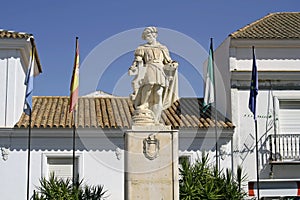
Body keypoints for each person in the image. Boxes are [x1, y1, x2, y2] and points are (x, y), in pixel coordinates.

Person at [129, 27, 178, 124]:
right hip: (149, 67)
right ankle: (143, 104)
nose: (148, 37)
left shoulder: (162, 48)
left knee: (159, 93)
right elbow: (137, 60)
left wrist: (174, 64)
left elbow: (168, 60)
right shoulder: (142, 48)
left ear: (155, 35)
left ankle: (156, 118)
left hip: (160, 69)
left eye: (149, 35)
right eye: (146, 36)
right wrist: (134, 66)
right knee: (149, 86)